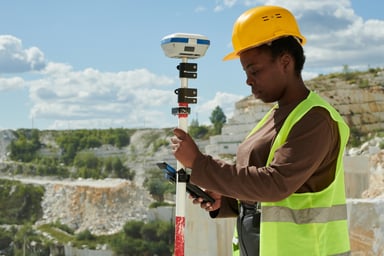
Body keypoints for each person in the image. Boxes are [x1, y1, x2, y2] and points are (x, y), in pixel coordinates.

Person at [171, 5, 351, 256]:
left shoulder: (316, 119)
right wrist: (226, 199)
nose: (248, 80)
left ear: (285, 61)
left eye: (254, 70)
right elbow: (264, 194)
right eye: (245, 71)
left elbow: (275, 184)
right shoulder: (274, 117)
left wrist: (201, 164)